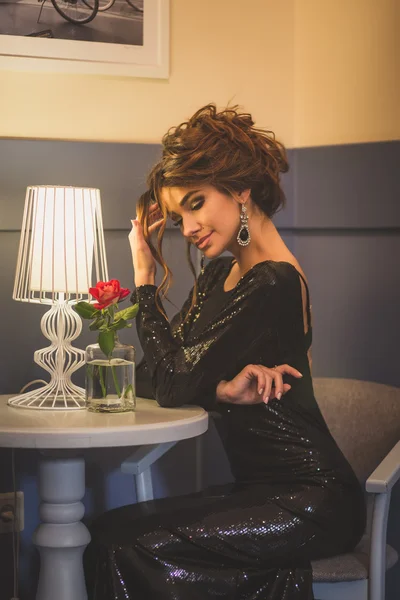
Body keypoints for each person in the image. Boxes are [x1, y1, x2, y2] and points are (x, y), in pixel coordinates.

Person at [84, 104, 366, 600]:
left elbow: (170, 382)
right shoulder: (219, 274)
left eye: (195, 204)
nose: (187, 227)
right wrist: (218, 388)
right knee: (104, 534)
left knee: (126, 545)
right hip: (259, 493)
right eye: (177, 217)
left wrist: (145, 281)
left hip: (312, 499)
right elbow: (152, 373)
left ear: (240, 190)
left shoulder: (273, 281)